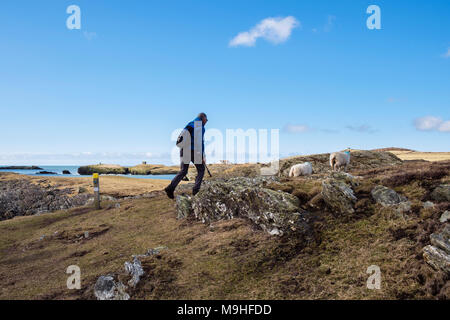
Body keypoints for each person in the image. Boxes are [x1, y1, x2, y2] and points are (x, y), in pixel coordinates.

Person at [164, 113, 208, 199]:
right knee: (201, 169)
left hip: (184, 150)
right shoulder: (200, 126)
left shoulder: (190, 123)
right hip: (193, 151)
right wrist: (202, 156)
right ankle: (196, 190)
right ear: (203, 118)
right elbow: (199, 143)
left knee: (183, 171)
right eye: (206, 119)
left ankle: (170, 188)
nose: (206, 121)